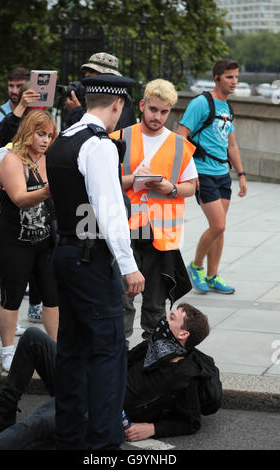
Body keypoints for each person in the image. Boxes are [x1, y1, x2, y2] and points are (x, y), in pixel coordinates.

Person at [46, 74, 145, 450]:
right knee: (107, 352)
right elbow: (109, 211)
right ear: (118, 105)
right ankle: (103, 447)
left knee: (71, 349)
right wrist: (128, 264)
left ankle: (70, 438)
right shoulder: (99, 145)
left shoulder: (64, 140)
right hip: (90, 257)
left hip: (65, 253)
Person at [0, 303, 222, 450]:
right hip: (88, 382)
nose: (164, 319)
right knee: (34, 337)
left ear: (183, 333)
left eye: (171, 318)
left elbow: (191, 422)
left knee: (37, 423)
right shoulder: (153, 346)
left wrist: (152, 428)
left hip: (99, 411)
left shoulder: (185, 376)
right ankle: (2, 415)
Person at [110, 78, 198, 343]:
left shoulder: (179, 145)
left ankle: (150, 360)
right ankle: (119, 356)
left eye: (164, 111)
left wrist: (171, 187)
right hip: (126, 229)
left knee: (155, 305)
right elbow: (102, 181)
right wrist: (134, 178)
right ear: (142, 106)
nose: (158, 116)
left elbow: (192, 187)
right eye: (153, 110)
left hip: (161, 234)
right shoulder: (119, 138)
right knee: (123, 299)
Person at [0, 109, 59, 372]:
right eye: (40, 133)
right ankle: (8, 350)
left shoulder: (51, 159)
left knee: (52, 296)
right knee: (12, 295)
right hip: (15, 240)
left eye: (50, 135)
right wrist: (49, 189)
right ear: (28, 132)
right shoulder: (12, 159)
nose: (45, 140)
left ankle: (55, 347)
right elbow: (20, 198)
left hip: (45, 241)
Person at [177, 59, 247, 295]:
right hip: (203, 172)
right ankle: (196, 266)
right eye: (229, 77)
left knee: (219, 228)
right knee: (218, 225)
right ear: (217, 77)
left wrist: (242, 174)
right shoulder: (201, 103)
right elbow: (181, 136)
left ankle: (212, 275)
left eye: (236, 77)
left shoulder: (227, 107)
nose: (234, 81)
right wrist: (188, 172)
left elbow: (232, 146)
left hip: (222, 174)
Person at [0, 83, 45, 323]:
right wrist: (22, 106)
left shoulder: (47, 141)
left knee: (48, 287)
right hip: (14, 222)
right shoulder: (11, 152)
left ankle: (36, 304)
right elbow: (3, 136)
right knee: (12, 289)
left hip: (43, 230)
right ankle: (7, 348)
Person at [0, 67, 30, 305]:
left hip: (28, 185)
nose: (14, 90)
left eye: (19, 86)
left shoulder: (36, 113)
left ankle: (26, 281)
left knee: (29, 233)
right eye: (11, 85)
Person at [65, 51, 137, 130]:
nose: (87, 74)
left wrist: (76, 111)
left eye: (92, 70)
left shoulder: (121, 99)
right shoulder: (93, 92)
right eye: (86, 71)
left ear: (107, 74)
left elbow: (103, 130)